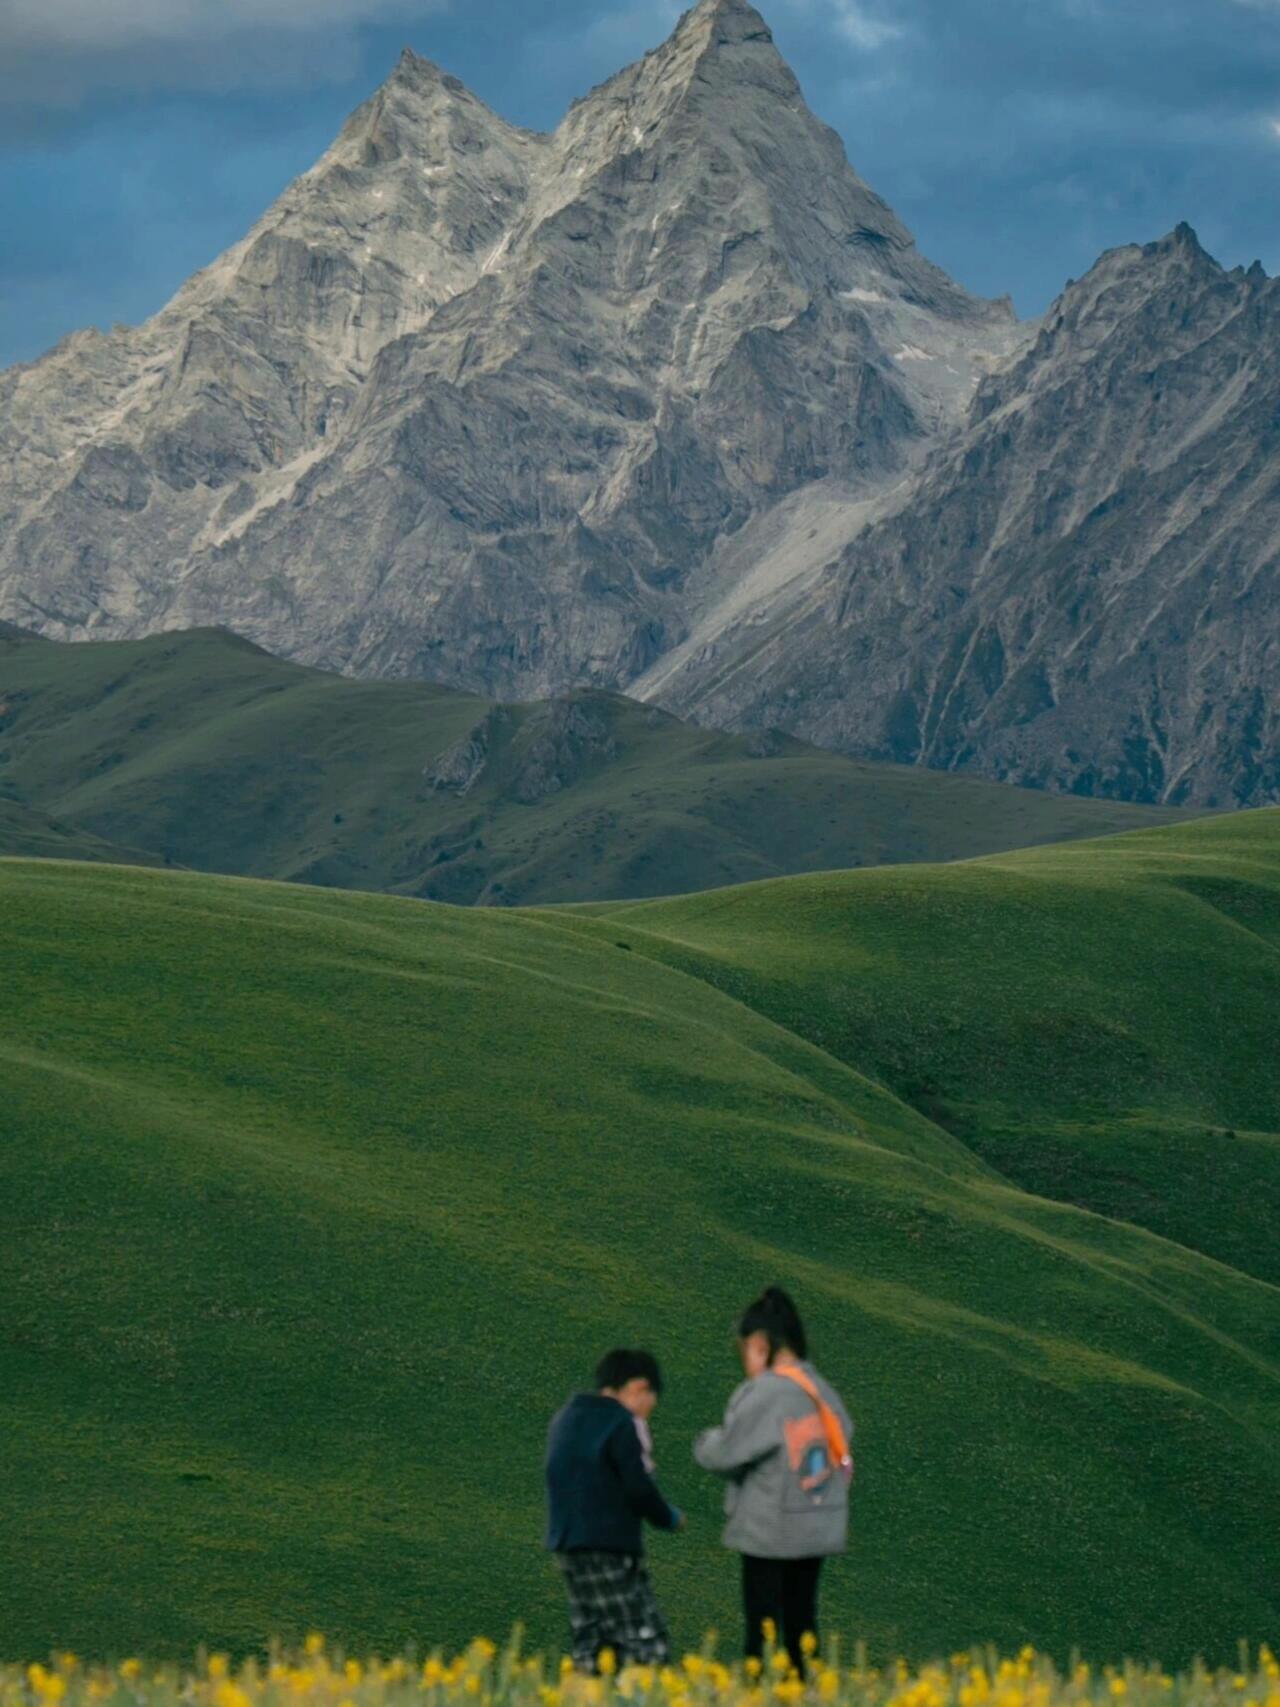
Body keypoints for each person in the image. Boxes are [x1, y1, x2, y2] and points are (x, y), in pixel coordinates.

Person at [694, 1287, 852, 1670]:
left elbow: (729, 1450)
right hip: (816, 1525)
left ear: (761, 1346)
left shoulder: (770, 1391)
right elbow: (843, 1433)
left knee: (762, 1628)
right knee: (802, 1623)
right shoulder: (821, 1389)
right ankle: (808, 1693)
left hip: (771, 1530)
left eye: (745, 1350)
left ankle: (759, 1693)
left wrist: (704, 1442)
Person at [545, 1348, 685, 1671]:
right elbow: (638, 1487)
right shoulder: (621, 1423)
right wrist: (669, 1517)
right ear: (638, 1388)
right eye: (649, 1403)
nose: (646, 1415)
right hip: (609, 1545)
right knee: (647, 1642)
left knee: (592, 1642)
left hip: (567, 1545)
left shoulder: (566, 1417)